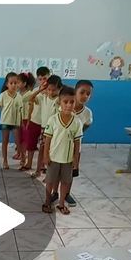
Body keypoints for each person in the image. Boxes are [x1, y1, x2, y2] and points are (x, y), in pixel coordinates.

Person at [52, 79, 94, 207]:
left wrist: (76, 137)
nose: (85, 96)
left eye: (88, 94)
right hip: (59, 147)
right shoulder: (62, 107)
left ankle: (66, 194)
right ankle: (55, 192)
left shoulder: (87, 113)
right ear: (75, 92)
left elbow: (85, 127)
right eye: (82, 92)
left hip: (74, 149)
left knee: (70, 172)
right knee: (56, 172)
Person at [42, 85, 83, 215]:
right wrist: (45, 156)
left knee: (66, 181)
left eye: (72, 102)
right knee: (50, 181)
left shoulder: (77, 122)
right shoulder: (53, 120)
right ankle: (47, 202)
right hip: (53, 157)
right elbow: (47, 140)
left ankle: (61, 204)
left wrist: (76, 160)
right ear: (60, 102)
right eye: (66, 102)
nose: (69, 105)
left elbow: (77, 143)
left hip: (67, 159)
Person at [0, 72, 23, 170]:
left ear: (18, 84)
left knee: (18, 141)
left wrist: (22, 123)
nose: (13, 85)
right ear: (7, 84)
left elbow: (21, 111)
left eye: (15, 83)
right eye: (11, 83)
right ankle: (5, 161)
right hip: (5, 122)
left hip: (16, 122)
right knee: (5, 141)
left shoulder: (19, 96)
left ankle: (21, 156)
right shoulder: (3, 95)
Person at [31, 75, 62, 179]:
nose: (51, 92)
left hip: (55, 130)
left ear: (59, 89)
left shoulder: (59, 100)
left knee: (51, 153)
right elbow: (30, 98)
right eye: (48, 89)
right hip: (44, 129)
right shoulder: (43, 97)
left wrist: (59, 95)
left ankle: (49, 174)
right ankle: (38, 171)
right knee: (42, 150)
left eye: (54, 90)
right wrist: (41, 89)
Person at [24, 66, 50, 171]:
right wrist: (40, 91)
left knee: (44, 146)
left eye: (45, 78)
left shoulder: (53, 92)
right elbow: (27, 99)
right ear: (37, 80)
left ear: (49, 77)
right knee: (31, 144)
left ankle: (42, 165)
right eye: (40, 79)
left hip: (47, 123)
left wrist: (47, 91)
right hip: (35, 121)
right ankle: (29, 163)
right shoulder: (36, 90)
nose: (43, 81)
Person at [17, 72, 36, 169]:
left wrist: (28, 121)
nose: (16, 84)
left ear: (24, 84)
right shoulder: (18, 93)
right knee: (20, 140)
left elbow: (31, 108)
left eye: (18, 82)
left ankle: (25, 159)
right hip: (19, 119)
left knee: (25, 141)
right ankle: (22, 157)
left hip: (25, 120)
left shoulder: (29, 94)